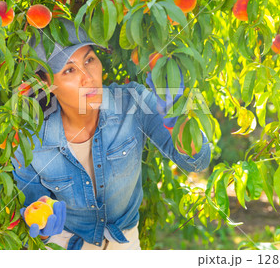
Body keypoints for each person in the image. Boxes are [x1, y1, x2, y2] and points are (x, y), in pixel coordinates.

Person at [11, 18, 212, 250]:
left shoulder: (132, 104)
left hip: (124, 246)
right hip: (65, 247)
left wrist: (178, 118)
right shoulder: (30, 138)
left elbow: (197, 162)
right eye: (68, 70)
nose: (88, 77)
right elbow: (34, 204)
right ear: (46, 83)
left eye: (89, 60)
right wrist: (43, 221)